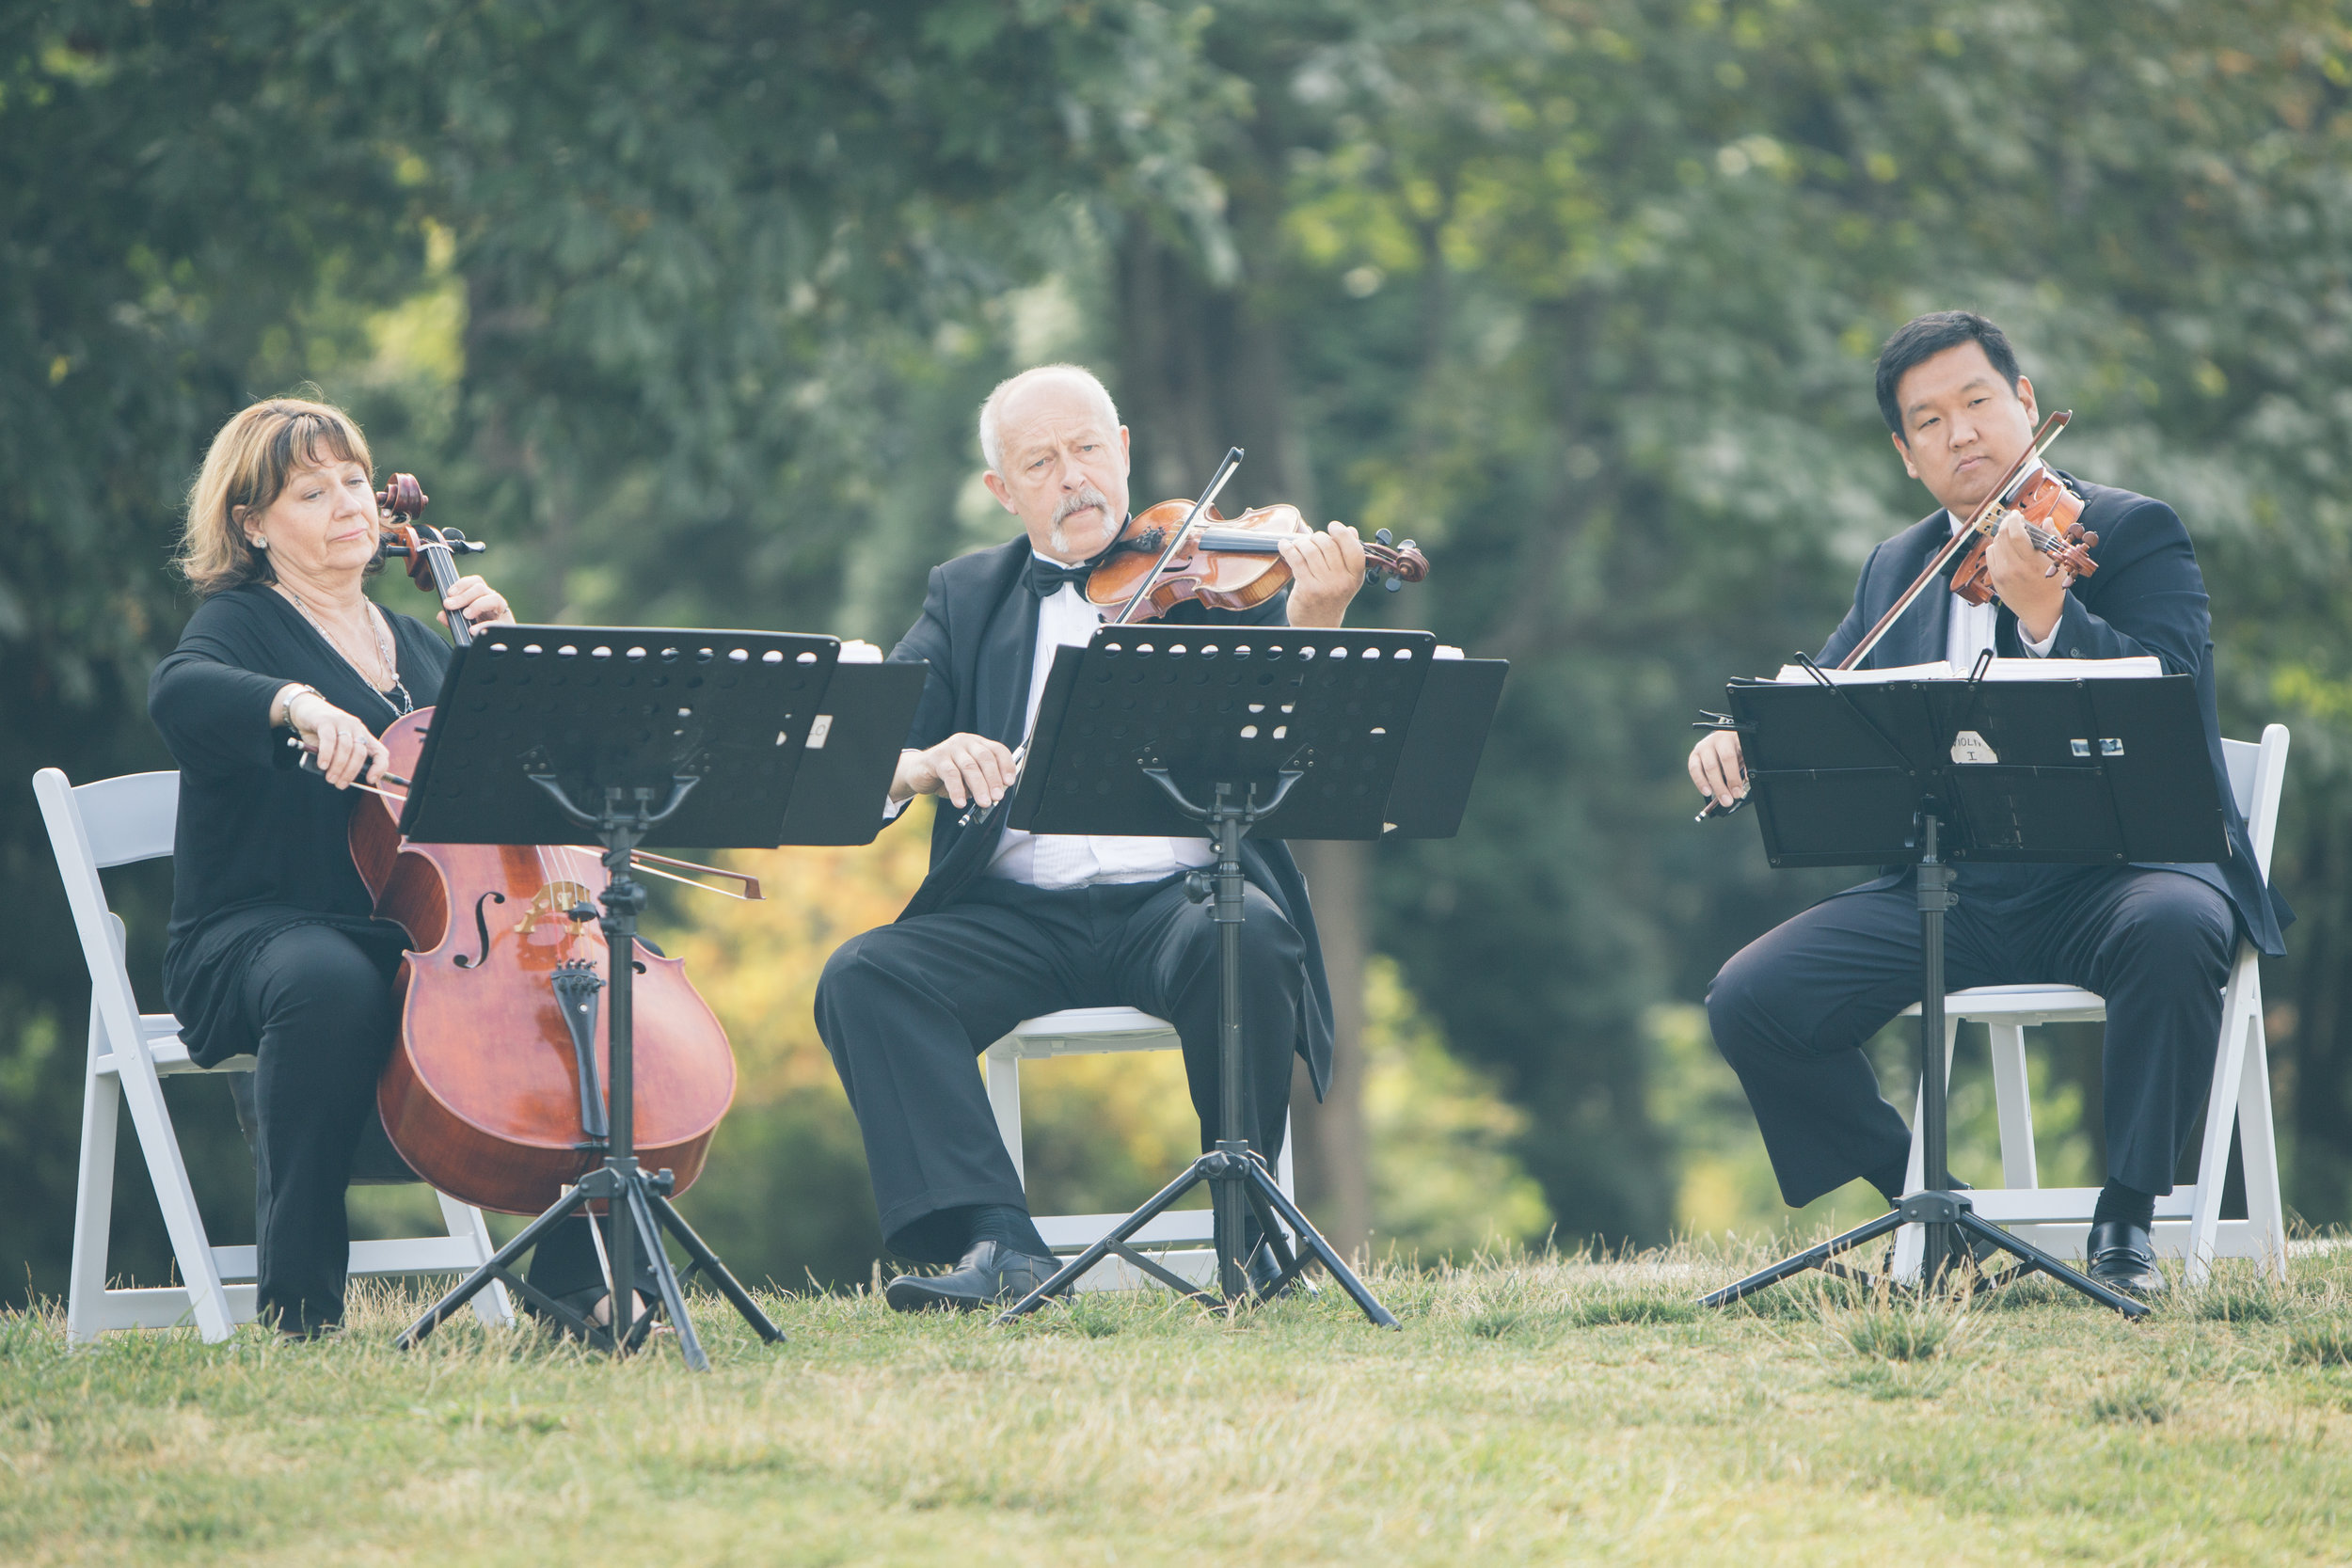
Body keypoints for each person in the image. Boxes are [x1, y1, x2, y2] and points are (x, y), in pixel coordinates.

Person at [1691, 312, 2291, 1296]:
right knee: (1754, 1000)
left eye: (1976, 402)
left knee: (2180, 923)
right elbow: (1826, 685)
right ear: (1905, 454)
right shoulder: (1898, 565)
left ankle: (2127, 1221)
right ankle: (1934, 1207)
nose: (1959, 432)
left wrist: (2050, 616)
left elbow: (2172, 695)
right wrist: (1740, 736)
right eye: (1928, 421)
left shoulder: (2132, 531)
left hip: (2120, 879)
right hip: (1956, 890)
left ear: (2023, 403)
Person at [816, 363, 1369, 1310]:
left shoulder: (1217, 578)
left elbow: (1307, 751)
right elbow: (862, 748)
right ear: (1002, 489)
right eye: (1039, 461)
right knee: (866, 975)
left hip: (1182, 904)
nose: (1072, 477)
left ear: (1121, 451)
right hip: (1014, 915)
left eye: (1085, 449)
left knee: (1251, 933)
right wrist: (920, 762)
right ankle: (998, 1241)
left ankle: (1248, 1239)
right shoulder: (966, 597)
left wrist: (1318, 617)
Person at [150, 396, 645, 1338]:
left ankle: (578, 1287)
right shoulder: (240, 624)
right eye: (312, 489)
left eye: (352, 481)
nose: (348, 503)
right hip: (259, 933)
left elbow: (536, 793)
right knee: (326, 978)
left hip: (422, 934)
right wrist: (295, 703)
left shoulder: (424, 645)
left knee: (591, 971)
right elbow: (180, 693)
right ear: (251, 525)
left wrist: (506, 660)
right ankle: (300, 1307)